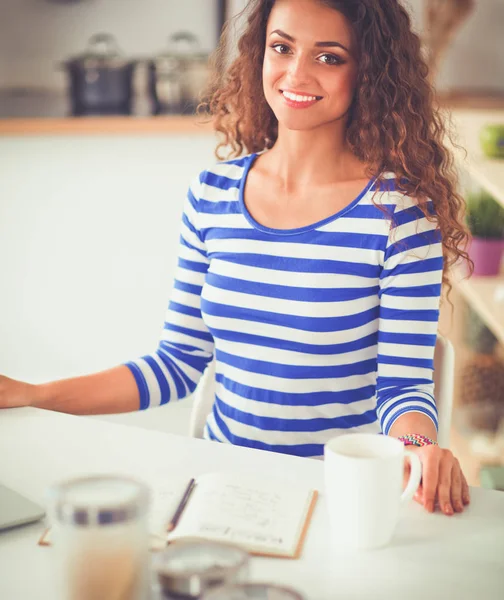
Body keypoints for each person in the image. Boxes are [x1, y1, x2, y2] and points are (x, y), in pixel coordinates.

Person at [0, 0, 471, 516]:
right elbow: (176, 365)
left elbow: (402, 386)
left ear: (369, 73)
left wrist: (422, 450)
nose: (296, 72)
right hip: (222, 485)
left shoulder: (400, 216)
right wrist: (31, 393)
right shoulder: (213, 194)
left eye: (329, 57)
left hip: (341, 495)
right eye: (282, 47)